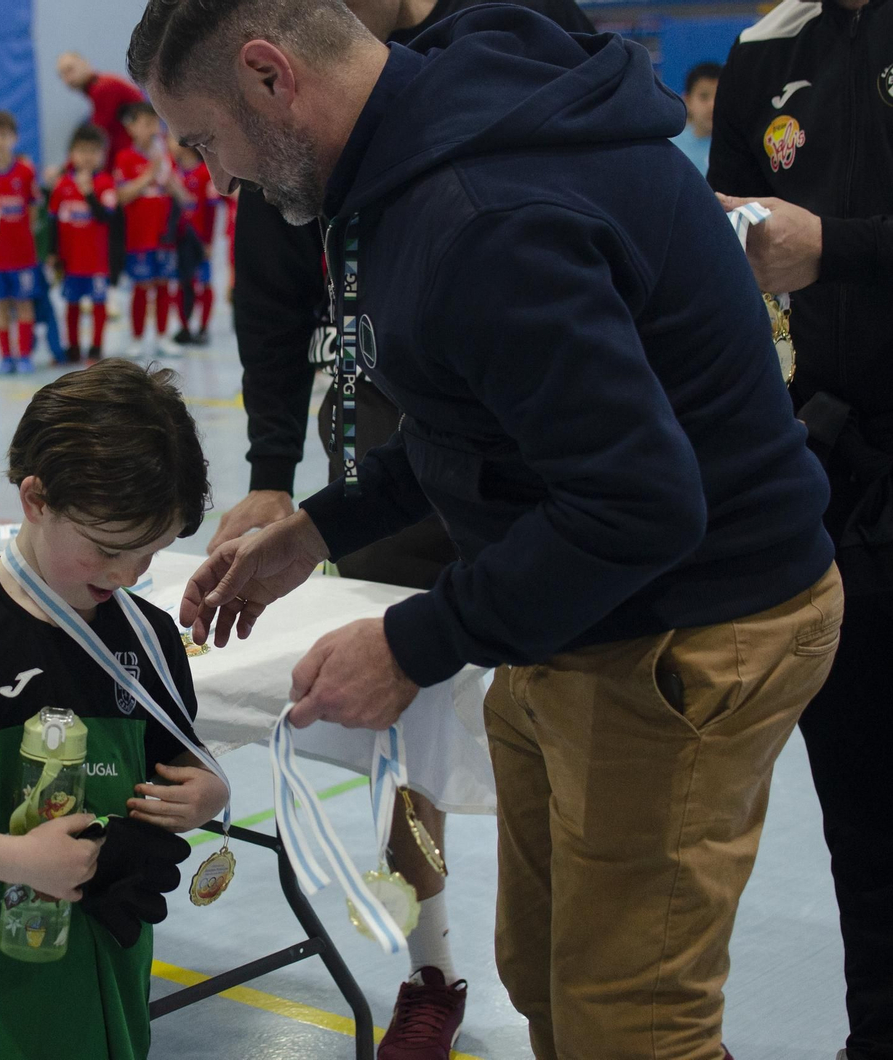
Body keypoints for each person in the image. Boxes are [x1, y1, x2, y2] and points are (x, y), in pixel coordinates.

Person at [132, 2, 843, 1058]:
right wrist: (320, 527)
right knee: (549, 971)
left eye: (203, 140)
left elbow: (642, 503)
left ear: (270, 77)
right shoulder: (407, 159)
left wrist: (412, 641)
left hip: (687, 622)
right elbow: (480, 422)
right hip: (578, 612)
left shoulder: (481, 211)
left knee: (632, 1019)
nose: (215, 175)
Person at [199, 0, 595, 1049]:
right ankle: (434, 966)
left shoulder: (510, 49)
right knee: (409, 741)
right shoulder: (281, 116)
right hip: (397, 466)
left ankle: (581, 960)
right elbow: (273, 307)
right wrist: (273, 474)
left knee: (567, 722)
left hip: (533, 457)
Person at [0, 359, 228, 1060]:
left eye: (151, 551)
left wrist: (208, 791)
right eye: (107, 549)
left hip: (113, 943)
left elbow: (178, 761)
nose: (128, 575)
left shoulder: (147, 637)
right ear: (35, 499)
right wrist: (20, 859)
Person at [709, 3, 893, 1056]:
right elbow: (723, 233)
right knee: (865, 825)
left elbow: (825, 248)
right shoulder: (769, 47)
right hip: (839, 486)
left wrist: (842, 248)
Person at [57, 51, 147, 289]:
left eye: (70, 69)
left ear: (86, 63)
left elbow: (96, 138)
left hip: (132, 171)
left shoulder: (103, 88)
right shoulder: (98, 90)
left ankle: (114, 285)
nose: (67, 78)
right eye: (62, 75)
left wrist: (63, 172)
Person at [48, 124, 121, 362]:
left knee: (99, 304)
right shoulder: (61, 186)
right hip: (71, 262)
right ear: (72, 154)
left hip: (97, 261)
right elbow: (52, 223)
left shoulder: (106, 184)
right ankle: (73, 346)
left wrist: (89, 193)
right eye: (82, 151)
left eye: (93, 151)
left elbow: (106, 217)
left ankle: (96, 346)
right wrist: (52, 253)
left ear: (101, 154)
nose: (87, 157)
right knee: (71, 305)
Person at [114, 102, 181, 358]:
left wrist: (167, 175)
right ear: (131, 128)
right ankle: (137, 338)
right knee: (141, 288)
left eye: (154, 122)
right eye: (144, 123)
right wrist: (148, 176)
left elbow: (182, 197)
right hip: (138, 238)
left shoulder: (164, 158)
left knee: (164, 286)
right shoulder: (125, 158)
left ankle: (163, 336)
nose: (150, 128)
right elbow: (121, 196)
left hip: (164, 236)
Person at [0, 110, 41, 375]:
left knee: (24, 303)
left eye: (4, 135)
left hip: (23, 255)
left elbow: (36, 211)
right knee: (2, 305)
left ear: (15, 138)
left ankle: (25, 355)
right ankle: (6, 357)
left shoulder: (26, 172)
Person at [170, 140, 220, 345]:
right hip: (178, 240)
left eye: (172, 140)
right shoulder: (173, 173)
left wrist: (208, 242)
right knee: (183, 282)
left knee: (203, 282)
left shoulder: (204, 174)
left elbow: (211, 212)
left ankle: (203, 327)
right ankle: (184, 327)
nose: (168, 144)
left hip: (198, 240)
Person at [671, 62, 720, 176]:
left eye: (719, 96)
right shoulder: (672, 148)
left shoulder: (738, 148)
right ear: (687, 101)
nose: (712, 105)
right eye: (704, 96)